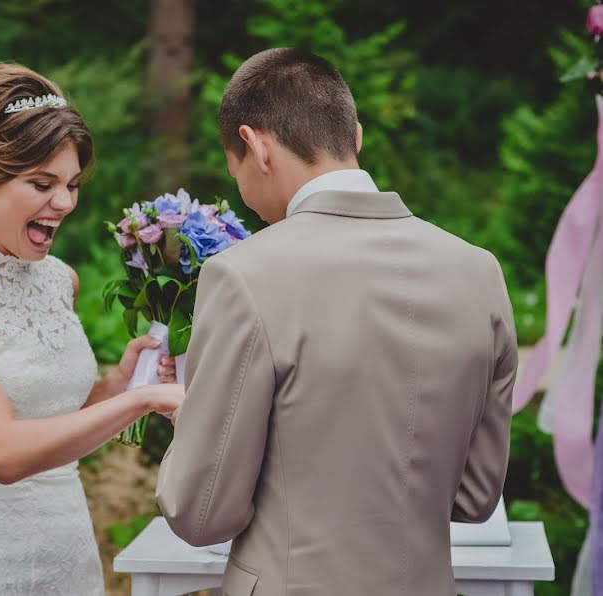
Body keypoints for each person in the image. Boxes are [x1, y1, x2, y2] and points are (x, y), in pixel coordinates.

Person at [156, 48, 517, 596]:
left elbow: (200, 513)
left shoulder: (244, 275)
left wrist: (191, 421)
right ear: (357, 136)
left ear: (255, 146)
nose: (245, 199)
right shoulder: (478, 272)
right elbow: (474, 497)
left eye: (237, 175)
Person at [0, 62, 183, 595]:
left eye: (71, 185)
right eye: (42, 184)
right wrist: (139, 403)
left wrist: (117, 385)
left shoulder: (59, 281)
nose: (65, 203)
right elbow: (4, 453)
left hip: (68, 556)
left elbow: (56, 423)